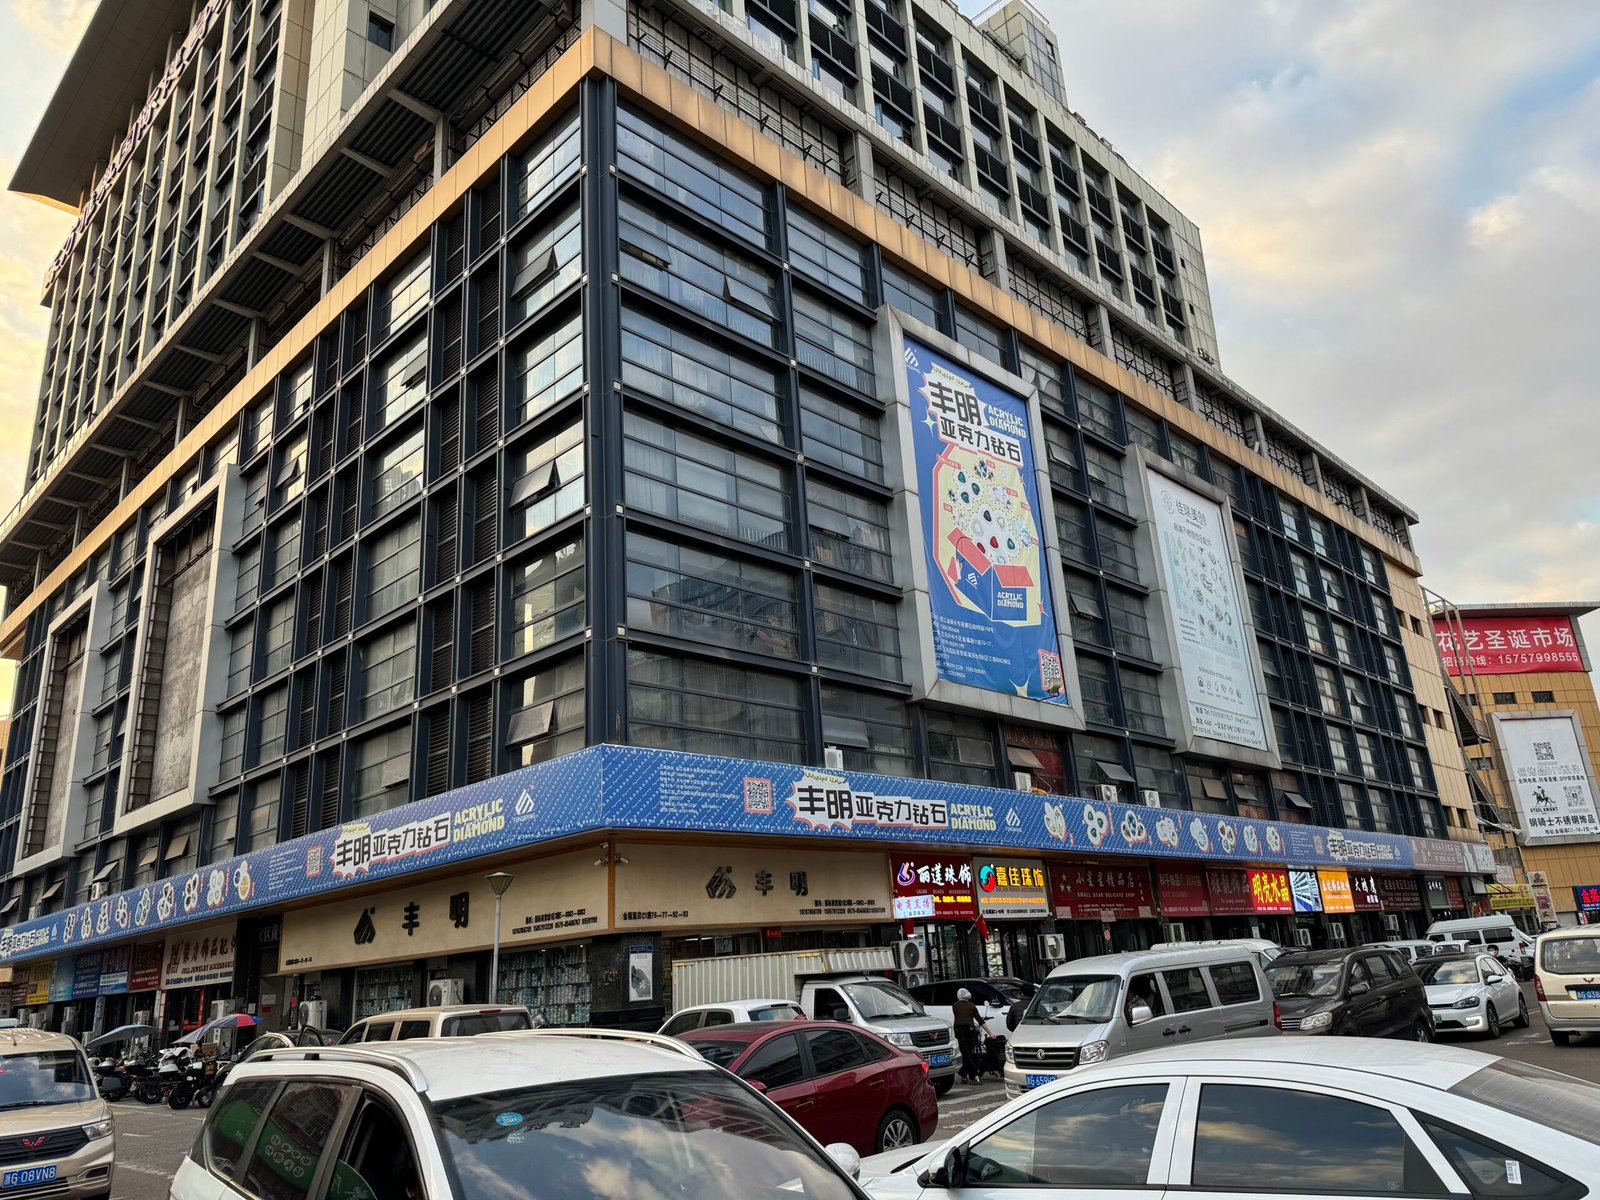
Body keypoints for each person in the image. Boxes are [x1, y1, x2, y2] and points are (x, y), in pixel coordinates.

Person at [951, 988, 990, 1084]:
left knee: (965, 1053)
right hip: (970, 1031)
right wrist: (990, 1033)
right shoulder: (972, 1006)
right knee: (969, 1053)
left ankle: (964, 1074)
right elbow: (980, 1021)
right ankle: (974, 1076)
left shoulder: (955, 1006)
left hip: (959, 1031)